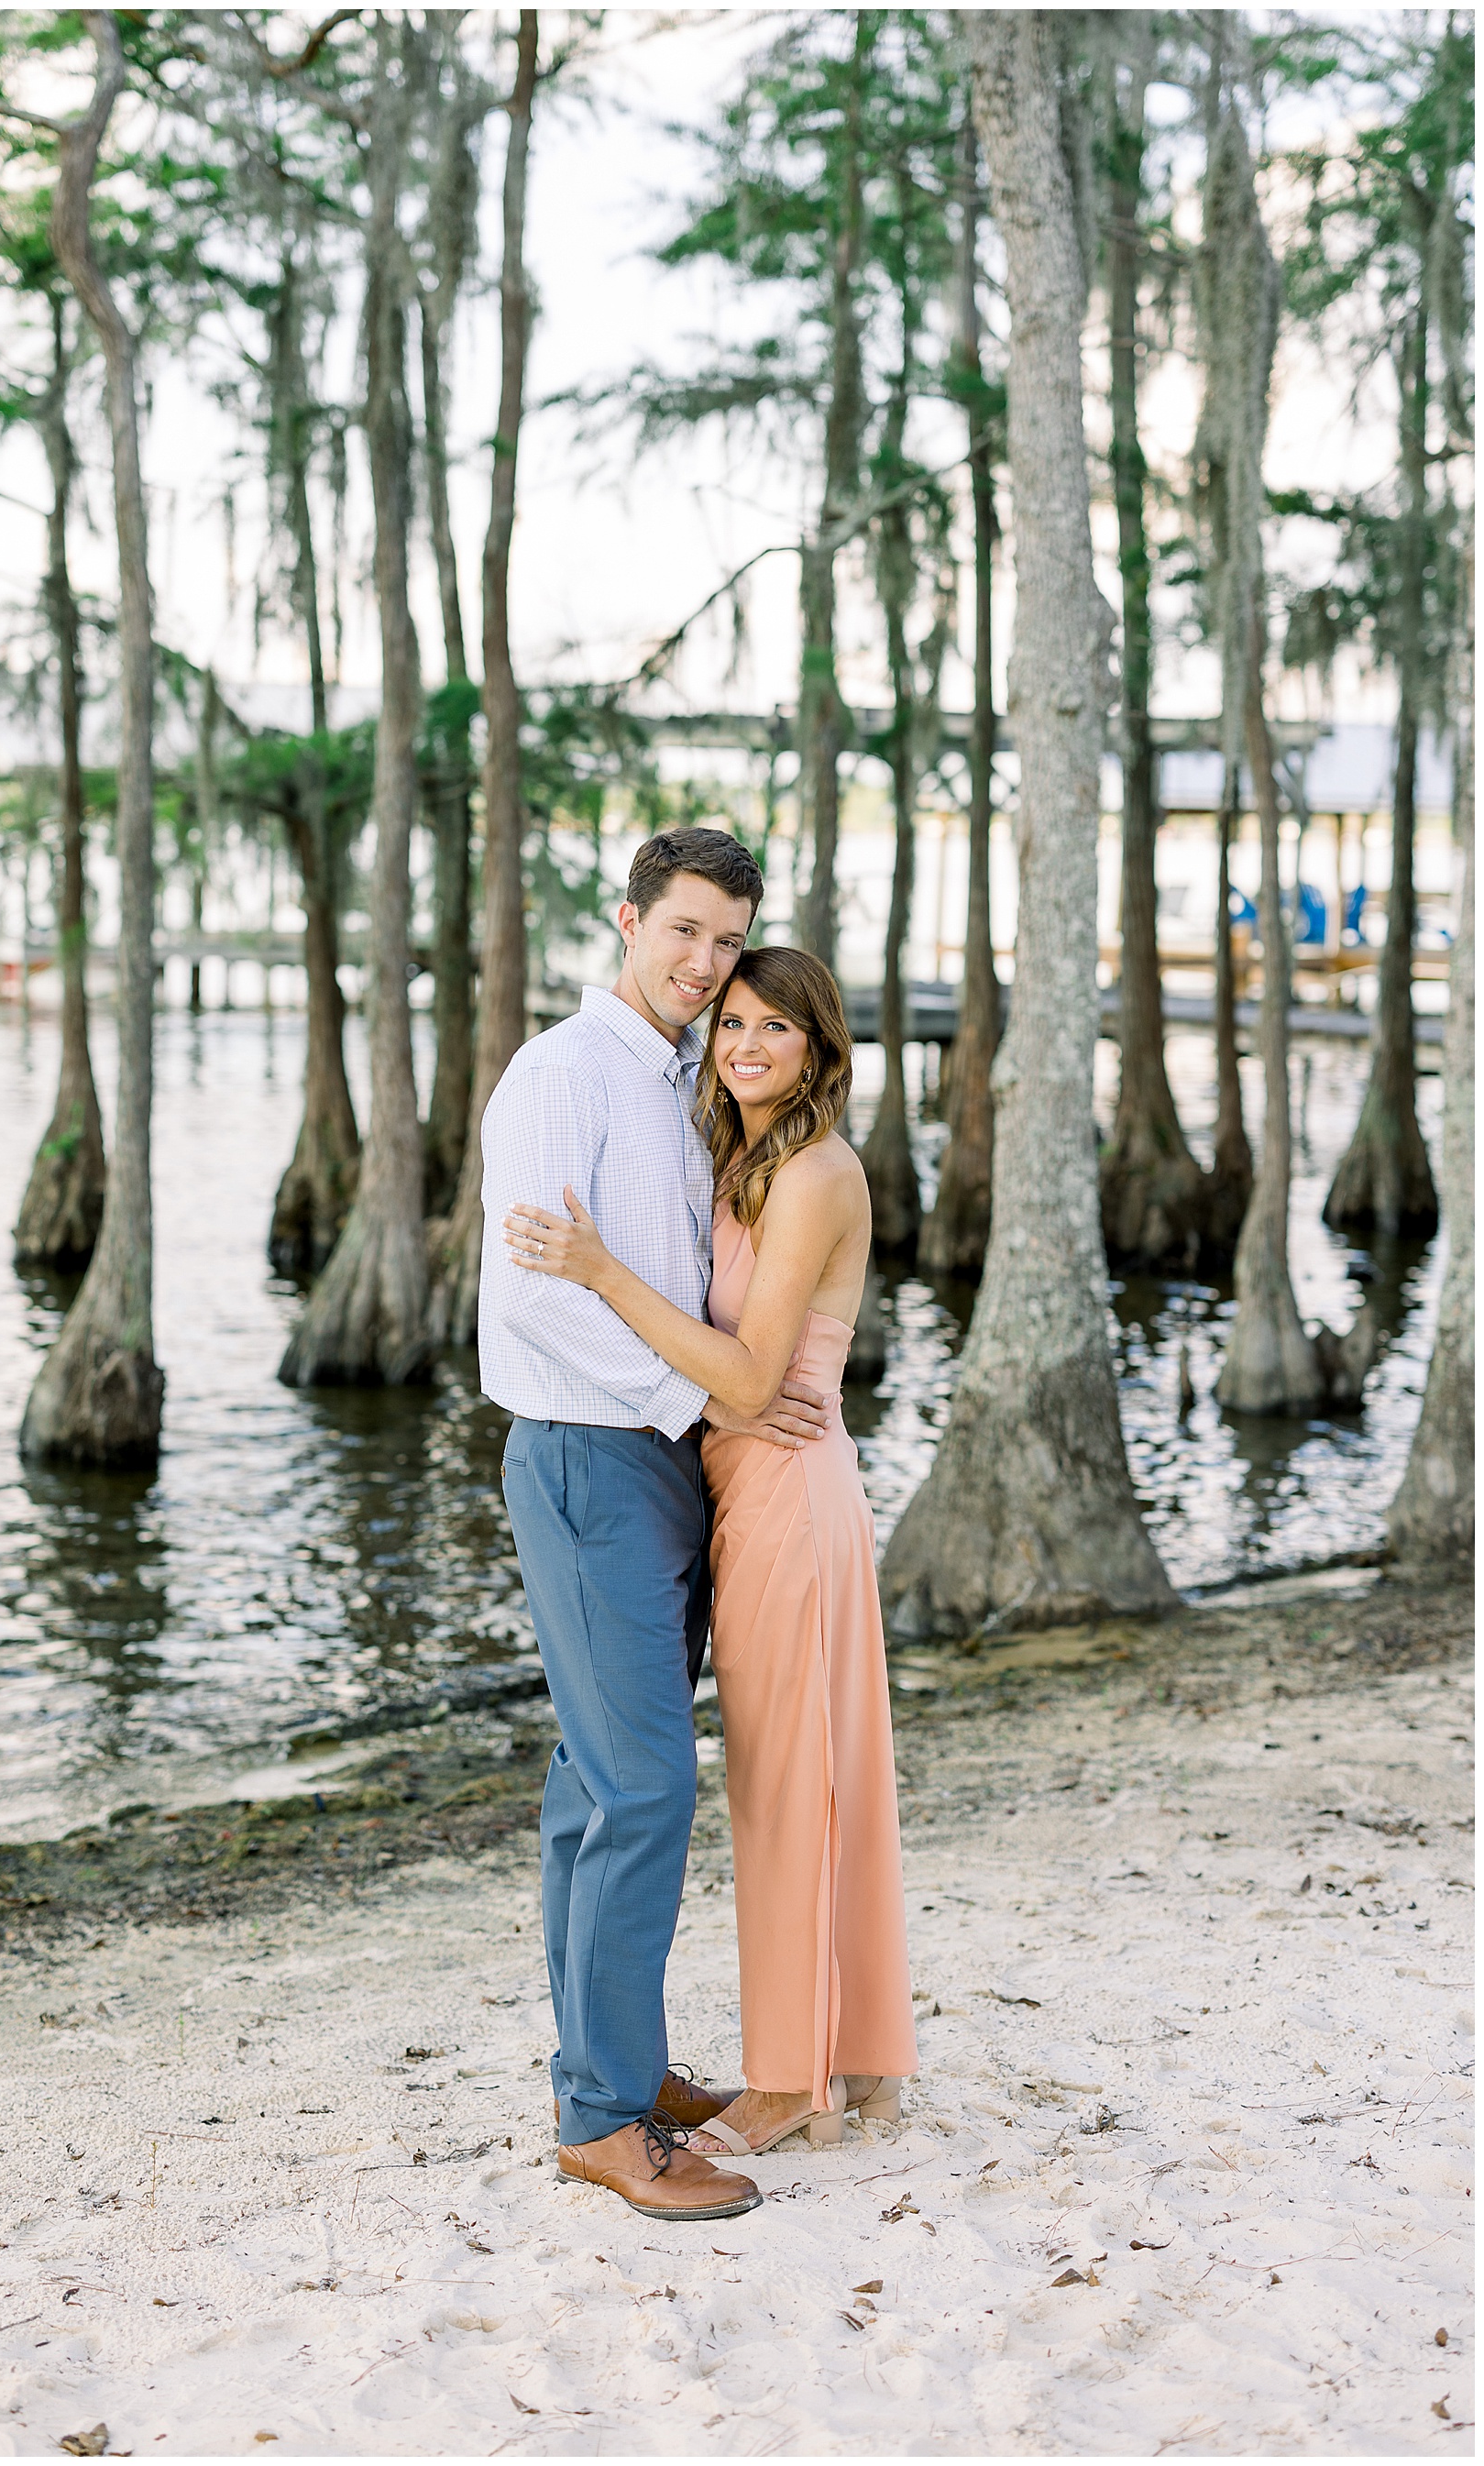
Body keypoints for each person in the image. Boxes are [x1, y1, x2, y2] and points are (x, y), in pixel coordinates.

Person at [504, 943, 918, 2159]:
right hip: (751, 1499)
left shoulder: (813, 1176)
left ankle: (792, 2082)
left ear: (818, 1047)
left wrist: (595, 1269)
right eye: (730, 1022)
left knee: (790, 1794)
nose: (742, 1044)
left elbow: (743, 1375)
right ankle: (856, 2053)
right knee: (809, 1783)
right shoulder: (750, 1159)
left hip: (790, 1500)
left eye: (773, 1028)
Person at [478, 829, 833, 2224]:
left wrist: (709, 1413)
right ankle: (603, 2120)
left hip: (668, 1461)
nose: (702, 963)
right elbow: (532, 1302)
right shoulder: (560, 1075)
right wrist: (707, 1393)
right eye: (680, 930)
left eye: (726, 941)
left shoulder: (687, 1077)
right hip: (588, 1453)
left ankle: (605, 2067)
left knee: (594, 1781)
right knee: (645, 1788)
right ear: (625, 918)